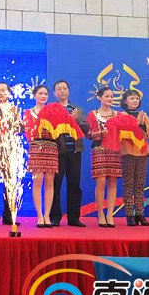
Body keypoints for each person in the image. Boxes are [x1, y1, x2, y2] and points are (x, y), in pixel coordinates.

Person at [51, 80, 89, 227]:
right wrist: (67, 120)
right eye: (59, 89)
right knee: (55, 184)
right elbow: (50, 129)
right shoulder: (51, 109)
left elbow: (85, 129)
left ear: (68, 91)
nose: (62, 91)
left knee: (74, 185)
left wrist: (76, 120)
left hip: (74, 151)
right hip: (57, 152)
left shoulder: (77, 110)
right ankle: (55, 217)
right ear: (54, 93)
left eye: (65, 88)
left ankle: (74, 218)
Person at [0, 82, 22, 226]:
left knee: (10, 184)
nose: (1, 93)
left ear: (9, 93)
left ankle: (9, 215)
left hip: (10, 149)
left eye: (3, 90)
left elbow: (20, 128)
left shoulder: (14, 109)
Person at [23, 85, 58, 228]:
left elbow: (58, 130)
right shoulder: (28, 112)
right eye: (40, 93)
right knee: (37, 182)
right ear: (34, 95)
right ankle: (39, 216)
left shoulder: (53, 112)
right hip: (36, 147)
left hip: (51, 147)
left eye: (45, 94)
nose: (43, 96)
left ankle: (47, 215)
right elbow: (27, 131)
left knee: (50, 182)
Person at [120, 89, 149, 226]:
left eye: (136, 98)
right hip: (128, 151)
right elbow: (122, 133)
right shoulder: (121, 115)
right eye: (131, 98)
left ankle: (140, 213)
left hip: (143, 151)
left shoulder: (143, 115)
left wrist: (142, 124)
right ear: (125, 101)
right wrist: (136, 123)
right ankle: (129, 214)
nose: (135, 101)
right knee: (128, 183)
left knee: (140, 184)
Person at [87, 87, 121, 228]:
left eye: (112, 96)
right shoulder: (93, 114)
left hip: (114, 149)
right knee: (100, 182)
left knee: (112, 182)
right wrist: (102, 133)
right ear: (99, 97)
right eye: (107, 96)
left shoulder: (118, 115)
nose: (110, 99)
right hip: (99, 149)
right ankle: (100, 213)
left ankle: (110, 214)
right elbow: (88, 135)